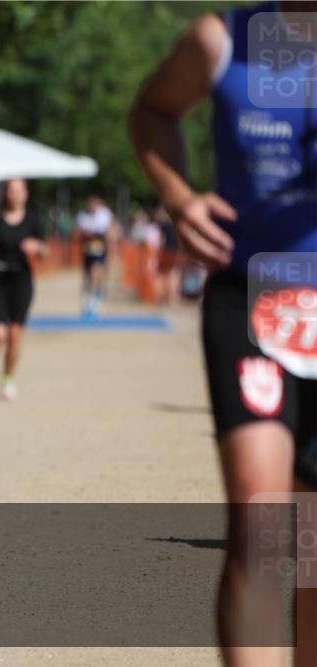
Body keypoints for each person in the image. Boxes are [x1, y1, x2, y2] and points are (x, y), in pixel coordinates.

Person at [131, 3, 316, 665]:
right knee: (263, 529)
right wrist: (179, 199)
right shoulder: (220, 38)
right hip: (252, 297)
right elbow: (152, 112)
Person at [0, 178, 46, 400]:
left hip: (22, 280)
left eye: (20, 190)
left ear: (26, 194)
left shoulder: (33, 221)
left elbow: (45, 251)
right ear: (6, 194)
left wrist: (38, 247)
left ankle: (8, 378)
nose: (15, 194)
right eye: (12, 190)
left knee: (14, 334)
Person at [75, 195, 115, 319]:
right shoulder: (82, 216)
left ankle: (95, 302)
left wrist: (107, 239)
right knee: (88, 278)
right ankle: (87, 303)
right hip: (88, 250)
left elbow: (111, 231)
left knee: (97, 274)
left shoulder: (105, 215)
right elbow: (78, 232)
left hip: (100, 249)